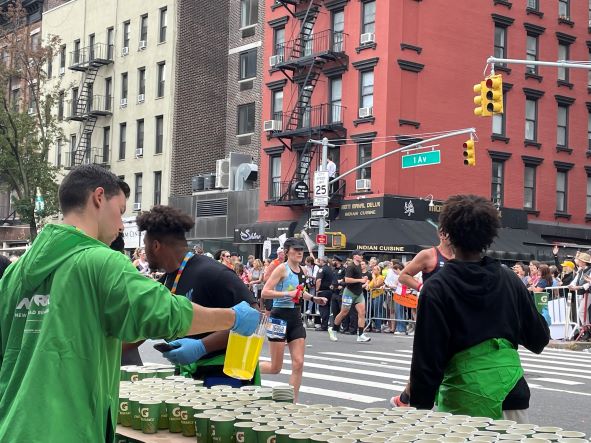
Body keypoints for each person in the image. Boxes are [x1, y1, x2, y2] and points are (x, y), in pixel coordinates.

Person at [0, 165, 260, 442]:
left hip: (11, 424)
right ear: (99, 197)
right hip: (66, 428)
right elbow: (167, 312)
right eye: (121, 211)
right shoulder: (102, 262)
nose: (122, 225)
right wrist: (233, 318)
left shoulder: (14, 274)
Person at [408, 195, 550, 422]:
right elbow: (539, 339)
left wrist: (419, 405)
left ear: (447, 234)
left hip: (463, 400)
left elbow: (428, 360)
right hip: (511, 395)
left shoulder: (436, 287)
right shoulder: (509, 279)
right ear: (490, 235)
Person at [136, 205, 259, 387]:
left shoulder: (213, 272)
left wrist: (202, 346)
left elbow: (254, 318)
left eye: (145, 246)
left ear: (155, 246)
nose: (144, 252)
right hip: (189, 377)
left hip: (226, 378)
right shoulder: (165, 281)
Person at [391, 229, 454, 406]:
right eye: (452, 232)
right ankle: (410, 399)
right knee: (428, 359)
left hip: (453, 315)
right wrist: (422, 287)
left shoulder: (461, 255)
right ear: (442, 234)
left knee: (444, 359)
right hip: (432, 314)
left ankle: (405, 397)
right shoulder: (428, 255)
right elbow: (403, 276)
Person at [260, 237, 327, 402]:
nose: (299, 253)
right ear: (287, 251)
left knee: (299, 363)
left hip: (295, 317)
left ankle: (292, 402)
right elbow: (265, 292)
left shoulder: (303, 270)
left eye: (301, 250)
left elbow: (299, 292)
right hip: (278, 317)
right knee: (276, 367)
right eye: (296, 250)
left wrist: (313, 298)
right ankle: (249, 366)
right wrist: (286, 294)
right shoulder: (281, 269)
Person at [328, 250, 371, 343]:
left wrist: (364, 279)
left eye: (362, 255)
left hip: (358, 293)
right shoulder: (351, 266)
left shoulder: (359, 266)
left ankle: (360, 335)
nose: (362, 256)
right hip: (349, 293)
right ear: (355, 256)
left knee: (362, 313)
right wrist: (360, 280)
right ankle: (333, 329)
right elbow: (347, 279)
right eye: (360, 255)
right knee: (344, 312)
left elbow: (359, 278)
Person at [315, 256, 334, 331]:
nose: (319, 261)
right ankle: (325, 324)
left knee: (323, 308)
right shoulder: (330, 269)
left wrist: (317, 290)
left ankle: (324, 325)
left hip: (323, 291)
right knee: (326, 308)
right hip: (329, 291)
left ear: (322, 261)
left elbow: (318, 280)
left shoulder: (322, 269)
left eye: (320, 260)